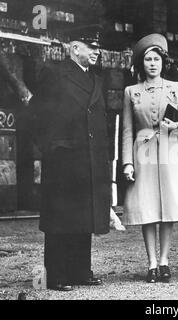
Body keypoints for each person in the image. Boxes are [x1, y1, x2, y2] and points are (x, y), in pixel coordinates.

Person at [30, 25, 111, 291]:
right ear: (75, 49)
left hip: (89, 158)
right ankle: (55, 275)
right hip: (63, 160)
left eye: (97, 47)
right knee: (60, 218)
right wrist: (49, 147)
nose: (97, 51)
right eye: (92, 47)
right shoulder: (54, 74)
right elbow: (36, 113)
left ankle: (80, 271)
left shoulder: (96, 79)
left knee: (84, 216)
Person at [122, 34, 178, 283]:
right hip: (142, 153)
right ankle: (151, 263)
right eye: (147, 59)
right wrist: (127, 162)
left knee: (168, 208)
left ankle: (164, 260)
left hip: (169, 150)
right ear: (141, 64)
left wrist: (175, 126)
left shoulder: (177, 88)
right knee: (148, 208)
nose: (152, 63)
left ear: (163, 62)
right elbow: (127, 130)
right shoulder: (131, 92)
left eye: (156, 59)